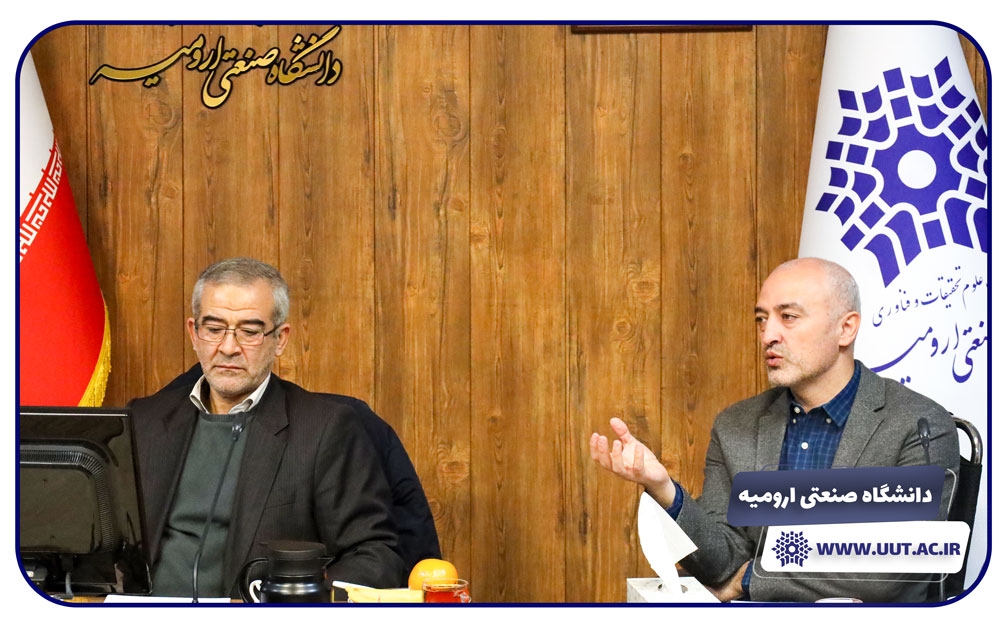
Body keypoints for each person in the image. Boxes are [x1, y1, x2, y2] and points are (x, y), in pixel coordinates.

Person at [590, 257, 959, 603]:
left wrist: (751, 579)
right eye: (762, 319)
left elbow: (893, 564)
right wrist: (663, 488)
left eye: (788, 317)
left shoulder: (918, 423)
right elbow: (720, 563)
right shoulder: (736, 425)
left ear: (846, 328)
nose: (768, 335)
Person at [129, 257, 407, 598]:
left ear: (280, 339)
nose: (228, 348)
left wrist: (290, 601)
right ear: (194, 333)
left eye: (249, 332)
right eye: (214, 329)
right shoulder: (143, 420)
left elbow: (376, 557)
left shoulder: (324, 429)